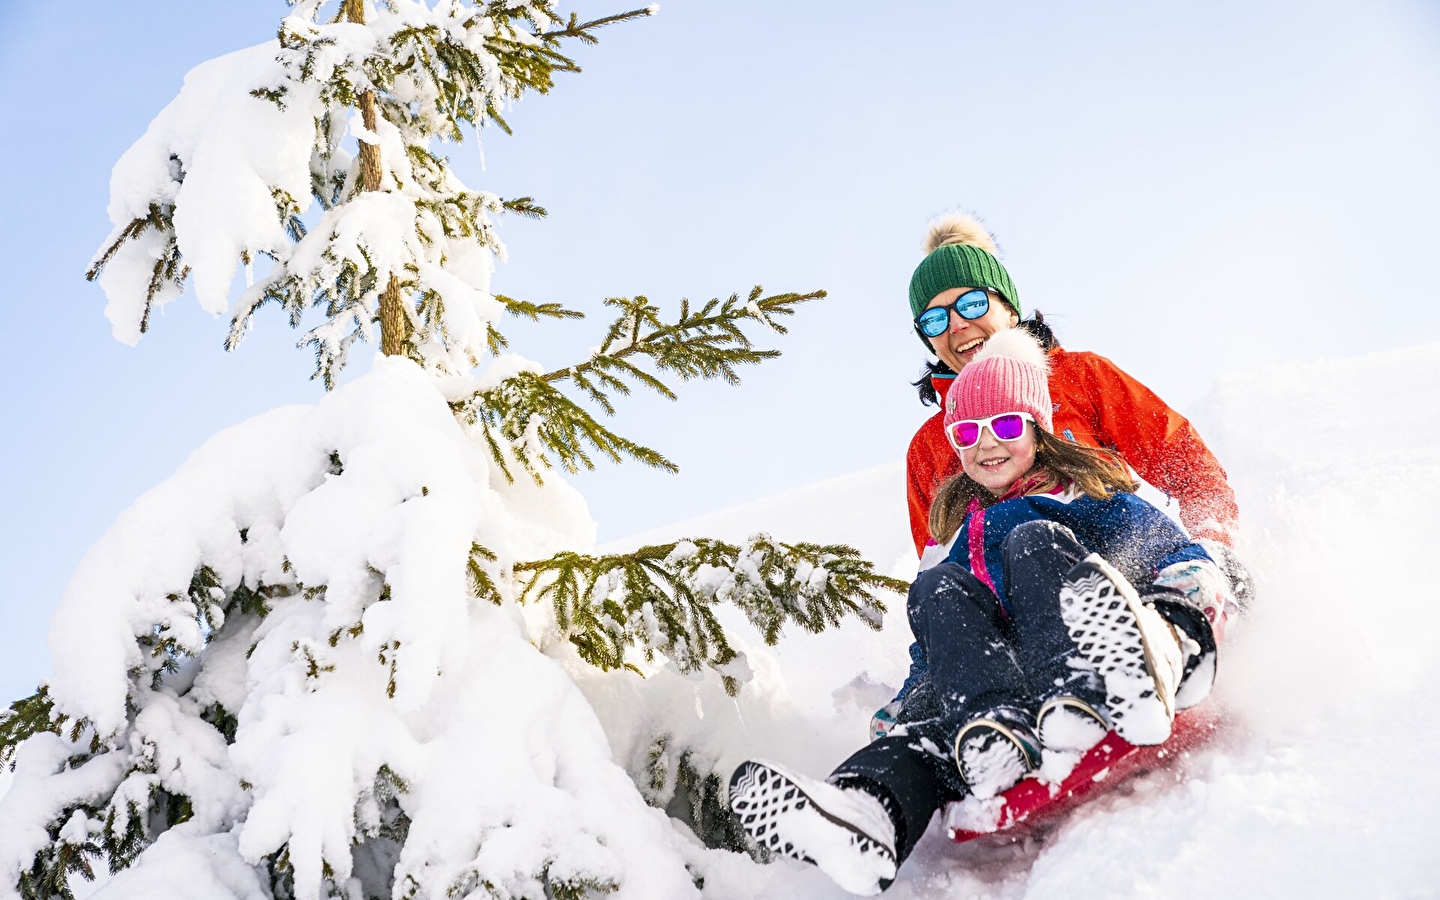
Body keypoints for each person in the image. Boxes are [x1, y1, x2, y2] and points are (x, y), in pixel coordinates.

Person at [726, 330, 1238, 896]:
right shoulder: (954, 539)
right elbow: (936, 648)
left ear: (1039, 427)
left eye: (1007, 426)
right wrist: (910, 703)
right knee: (934, 594)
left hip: (1098, 662)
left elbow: (1166, 549)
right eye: (966, 432)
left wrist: (1191, 595)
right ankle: (869, 809)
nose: (986, 444)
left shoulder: (1080, 496)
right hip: (999, 699)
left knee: (1032, 541)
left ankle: (1096, 689)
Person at [903, 213, 1245, 596]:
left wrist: (1212, 551)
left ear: (1009, 309)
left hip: (1126, 586)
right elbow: (943, 565)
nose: (957, 325)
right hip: (1022, 622)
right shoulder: (930, 447)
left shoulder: (1081, 378)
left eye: (972, 303)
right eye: (934, 320)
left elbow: (1186, 465)